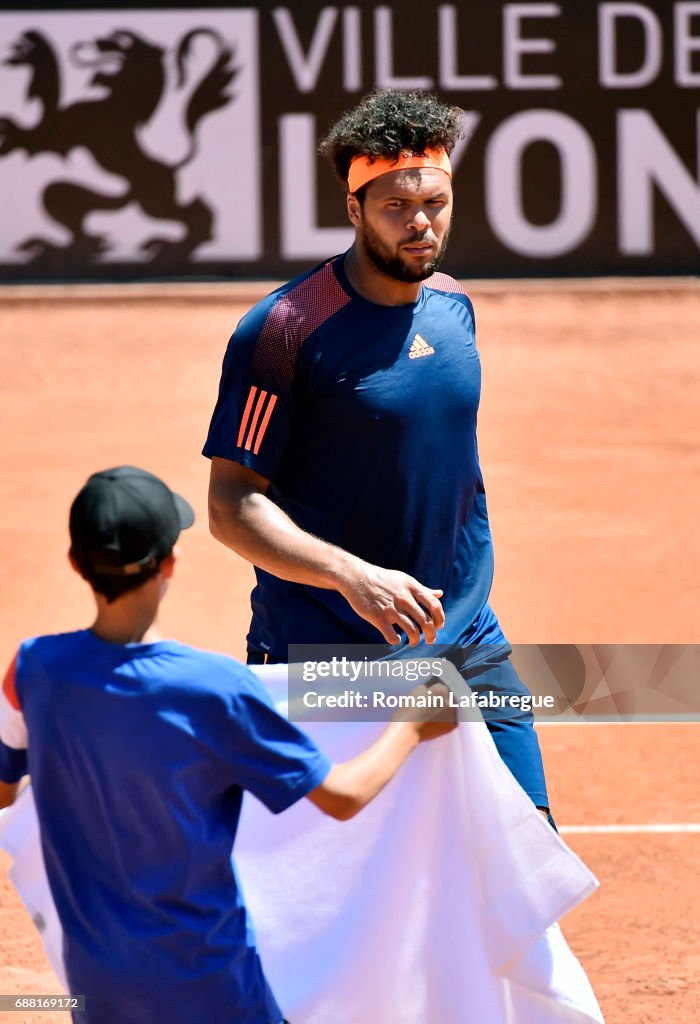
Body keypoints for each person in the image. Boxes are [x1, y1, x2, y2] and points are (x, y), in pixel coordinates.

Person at [203, 88, 551, 818]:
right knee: (330, 886)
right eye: (396, 207)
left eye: (436, 202)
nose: (421, 223)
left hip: (465, 637)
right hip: (329, 651)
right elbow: (231, 505)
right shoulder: (285, 330)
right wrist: (351, 576)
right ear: (355, 208)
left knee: (527, 844)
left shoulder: (454, 306)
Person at [0, 465, 455, 1024]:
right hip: (211, 989)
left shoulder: (31, 670)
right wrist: (412, 725)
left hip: (97, 987)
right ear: (170, 563)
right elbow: (343, 796)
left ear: (76, 564)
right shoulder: (215, 688)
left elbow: (5, 790)